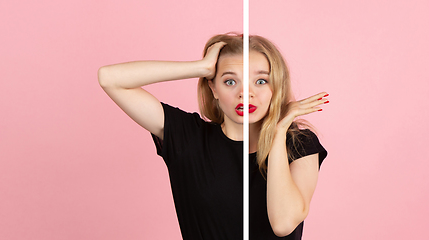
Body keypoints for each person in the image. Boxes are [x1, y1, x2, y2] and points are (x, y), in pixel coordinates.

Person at [98, 33, 328, 240]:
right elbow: (110, 78)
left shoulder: (300, 144)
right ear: (214, 89)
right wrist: (200, 67)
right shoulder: (188, 137)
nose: (244, 93)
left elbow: (283, 224)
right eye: (230, 81)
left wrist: (278, 132)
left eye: (261, 81)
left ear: (276, 87)